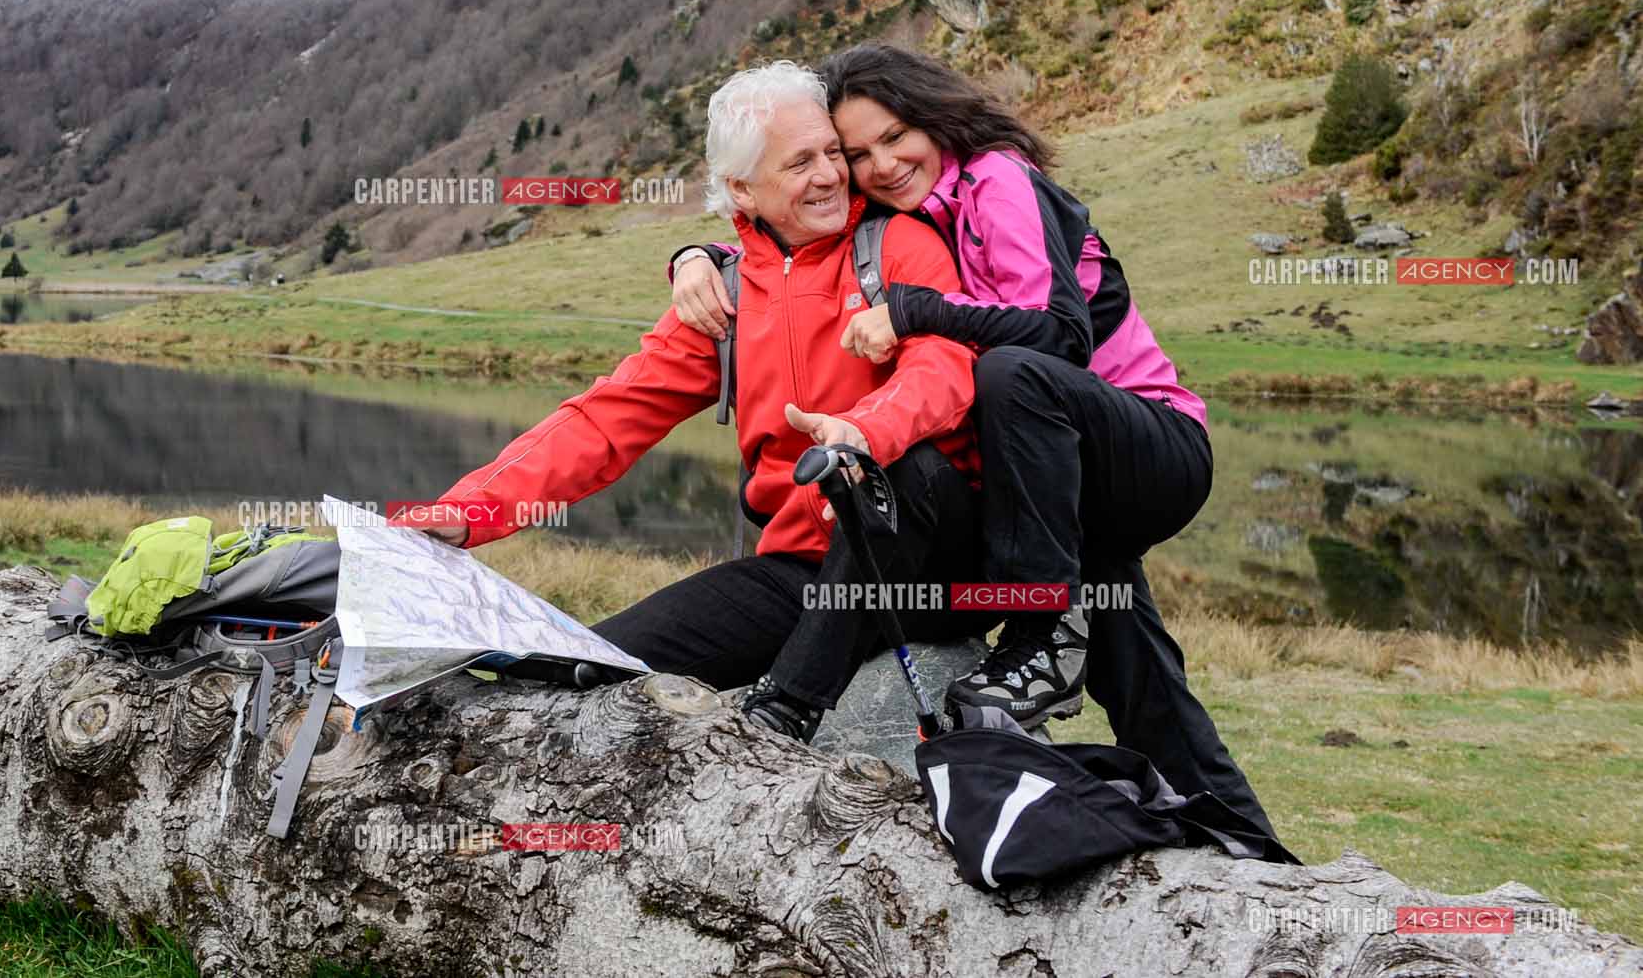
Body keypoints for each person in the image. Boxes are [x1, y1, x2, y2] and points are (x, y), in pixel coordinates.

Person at [667, 42, 1274, 836]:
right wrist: (700, 255)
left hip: (1149, 445)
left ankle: (1036, 633)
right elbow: (796, 238)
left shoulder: (998, 180)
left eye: (895, 137)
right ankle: (1245, 842)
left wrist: (922, 313)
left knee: (1010, 376)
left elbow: (1057, 340)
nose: (879, 165)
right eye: (858, 154)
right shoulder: (914, 218)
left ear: (935, 118)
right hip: (1061, 479)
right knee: (1138, 669)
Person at [427, 61, 983, 741]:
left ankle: (785, 709)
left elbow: (948, 365)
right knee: (580, 666)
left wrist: (863, 431)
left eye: (832, 153)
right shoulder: (726, 294)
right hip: (801, 568)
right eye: (801, 162)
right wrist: (465, 511)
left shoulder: (900, 246)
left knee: (901, 467)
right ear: (741, 188)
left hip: (926, 560)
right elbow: (607, 420)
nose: (832, 174)